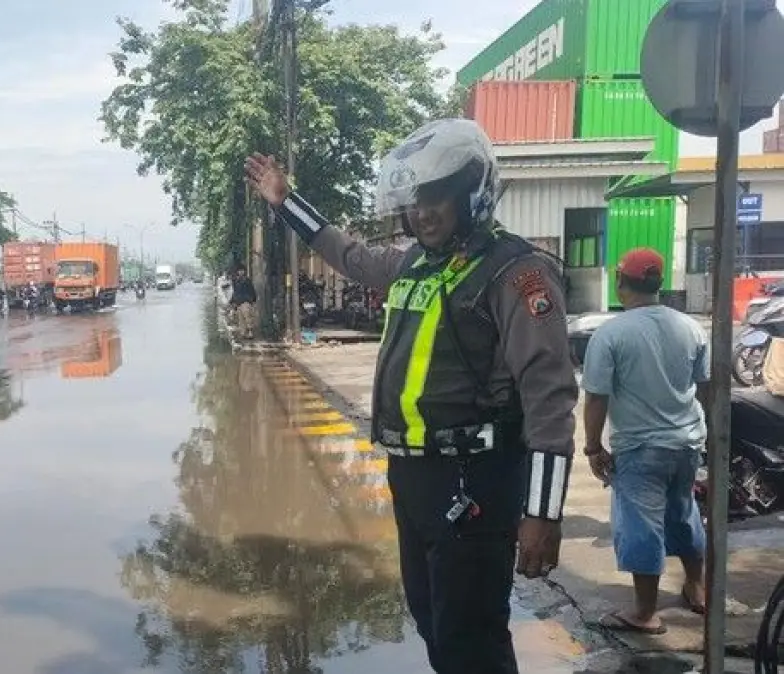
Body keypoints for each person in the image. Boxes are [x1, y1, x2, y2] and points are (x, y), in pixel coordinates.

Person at [244, 118, 578, 674]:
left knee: (470, 639)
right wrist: (286, 203)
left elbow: (550, 400)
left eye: (436, 198)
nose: (422, 212)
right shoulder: (414, 263)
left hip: (475, 480)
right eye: (414, 201)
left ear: (472, 193)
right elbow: (345, 253)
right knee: (433, 623)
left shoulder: (516, 275)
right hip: (414, 479)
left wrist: (543, 513)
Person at [580, 248, 710, 635]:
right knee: (684, 512)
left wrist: (592, 447)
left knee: (641, 525)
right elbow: (705, 387)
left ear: (621, 284)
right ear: (659, 284)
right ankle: (697, 587)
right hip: (687, 443)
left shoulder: (611, 334)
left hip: (641, 447)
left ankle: (645, 612)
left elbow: (597, 397)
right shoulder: (690, 327)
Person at [228, 263, 257, 340]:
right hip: (238, 302)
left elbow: (252, 290)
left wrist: (253, 300)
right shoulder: (235, 281)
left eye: (242, 270)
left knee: (248, 316)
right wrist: (232, 301)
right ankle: (243, 333)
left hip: (246, 301)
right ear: (237, 272)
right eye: (239, 271)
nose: (241, 272)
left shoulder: (247, 280)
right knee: (240, 319)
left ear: (244, 271)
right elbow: (235, 292)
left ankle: (250, 332)